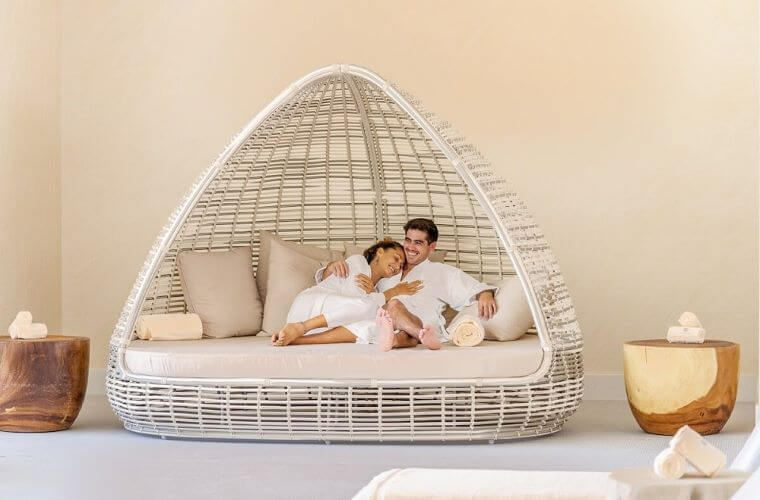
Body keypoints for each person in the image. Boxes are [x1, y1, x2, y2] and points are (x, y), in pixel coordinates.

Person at [320, 218, 497, 350]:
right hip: (385, 324)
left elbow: (474, 287)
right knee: (389, 318)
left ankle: (419, 334)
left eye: (418, 242)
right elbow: (348, 284)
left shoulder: (441, 272)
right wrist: (331, 267)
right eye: (408, 240)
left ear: (432, 247)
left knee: (394, 305)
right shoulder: (389, 269)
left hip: (423, 323)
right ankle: (402, 339)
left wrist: (485, 293)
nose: (410, 247)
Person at [272, 240, 422, 348]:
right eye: (396, 258)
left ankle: (297, 340)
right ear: (380, 251)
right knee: (371, 308)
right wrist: (393, 292)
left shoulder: (374, 292)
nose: (397, 266)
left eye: (401, 266)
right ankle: (300, 327)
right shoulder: (359, 262)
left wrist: (374, 294)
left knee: (376, 327)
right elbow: (356, 301)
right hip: (309, 307)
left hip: (325, 324)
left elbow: (355, 309)